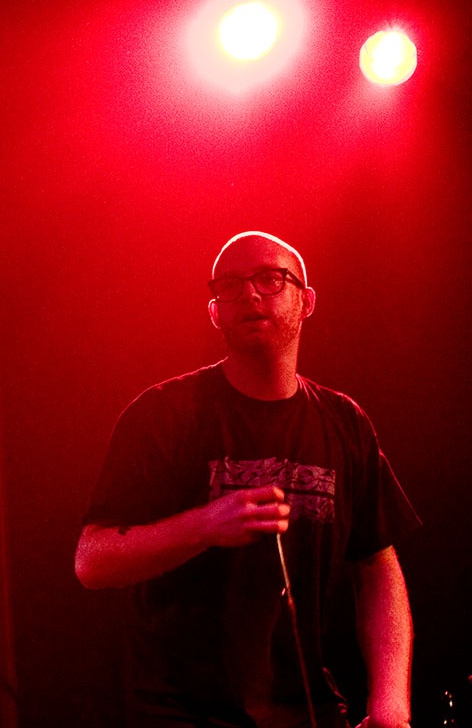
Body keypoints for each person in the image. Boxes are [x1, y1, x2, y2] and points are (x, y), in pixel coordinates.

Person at [74, 232, 419, 728]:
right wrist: (204, 526)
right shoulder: (164, 414)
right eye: (231, 285)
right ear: (215, 312)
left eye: (270, 279)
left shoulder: (345, 422)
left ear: (306, 301)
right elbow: (91, 560)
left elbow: (376, 565)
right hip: (181, 712)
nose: (250, 294)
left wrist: (391, 707)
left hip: (308, 708)